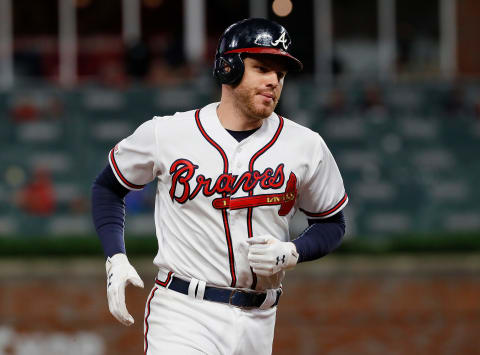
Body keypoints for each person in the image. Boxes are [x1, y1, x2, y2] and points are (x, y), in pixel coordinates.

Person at [91, 18, 348, 355]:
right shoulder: (167, 133)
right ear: (229, 68)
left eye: (280, 74)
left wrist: (293, 251)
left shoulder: (305, 145)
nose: (273, 80)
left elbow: (332, 222)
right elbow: (108, 187)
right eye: (261, 68)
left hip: (261, 317)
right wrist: (116, 257)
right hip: (184, 310)